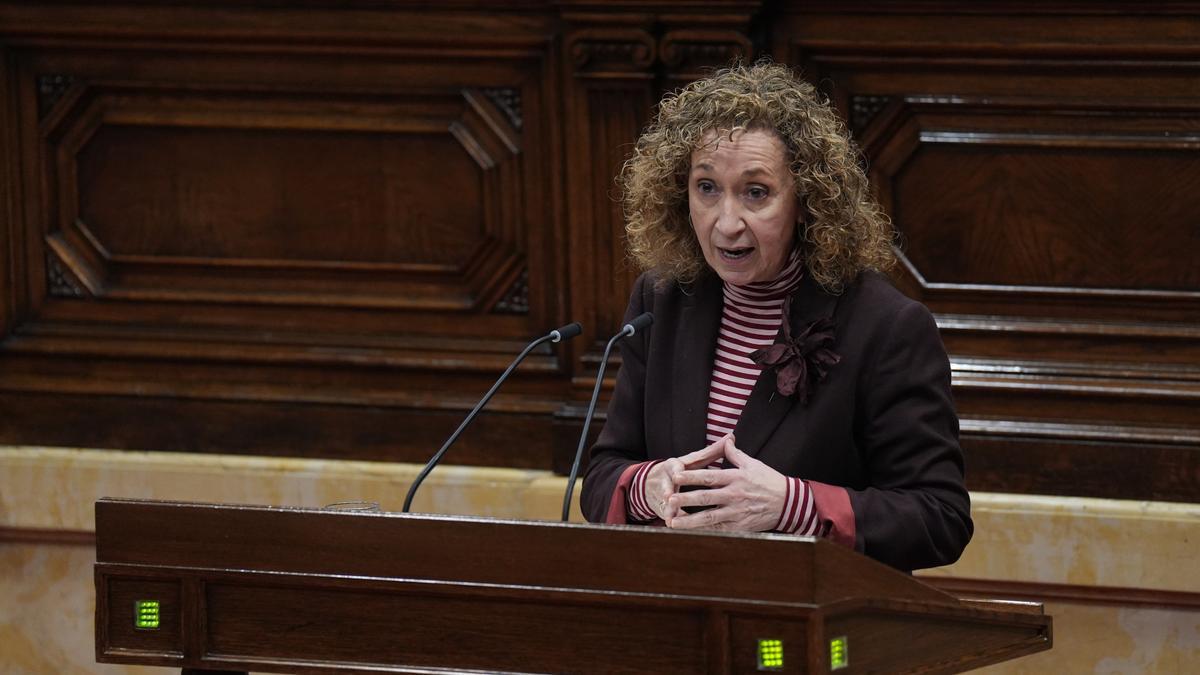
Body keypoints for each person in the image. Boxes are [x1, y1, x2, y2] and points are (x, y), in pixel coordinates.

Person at [579, 62, 972, 572]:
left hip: (806, 607)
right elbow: (602, 478)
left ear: (806, 202)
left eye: (756, 192)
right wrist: (648, 487)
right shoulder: (663, 302)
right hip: (679, 595)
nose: (726, 223)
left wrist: (793, 506)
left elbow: (939, 518)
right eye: (706, 187)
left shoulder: (884, 326)